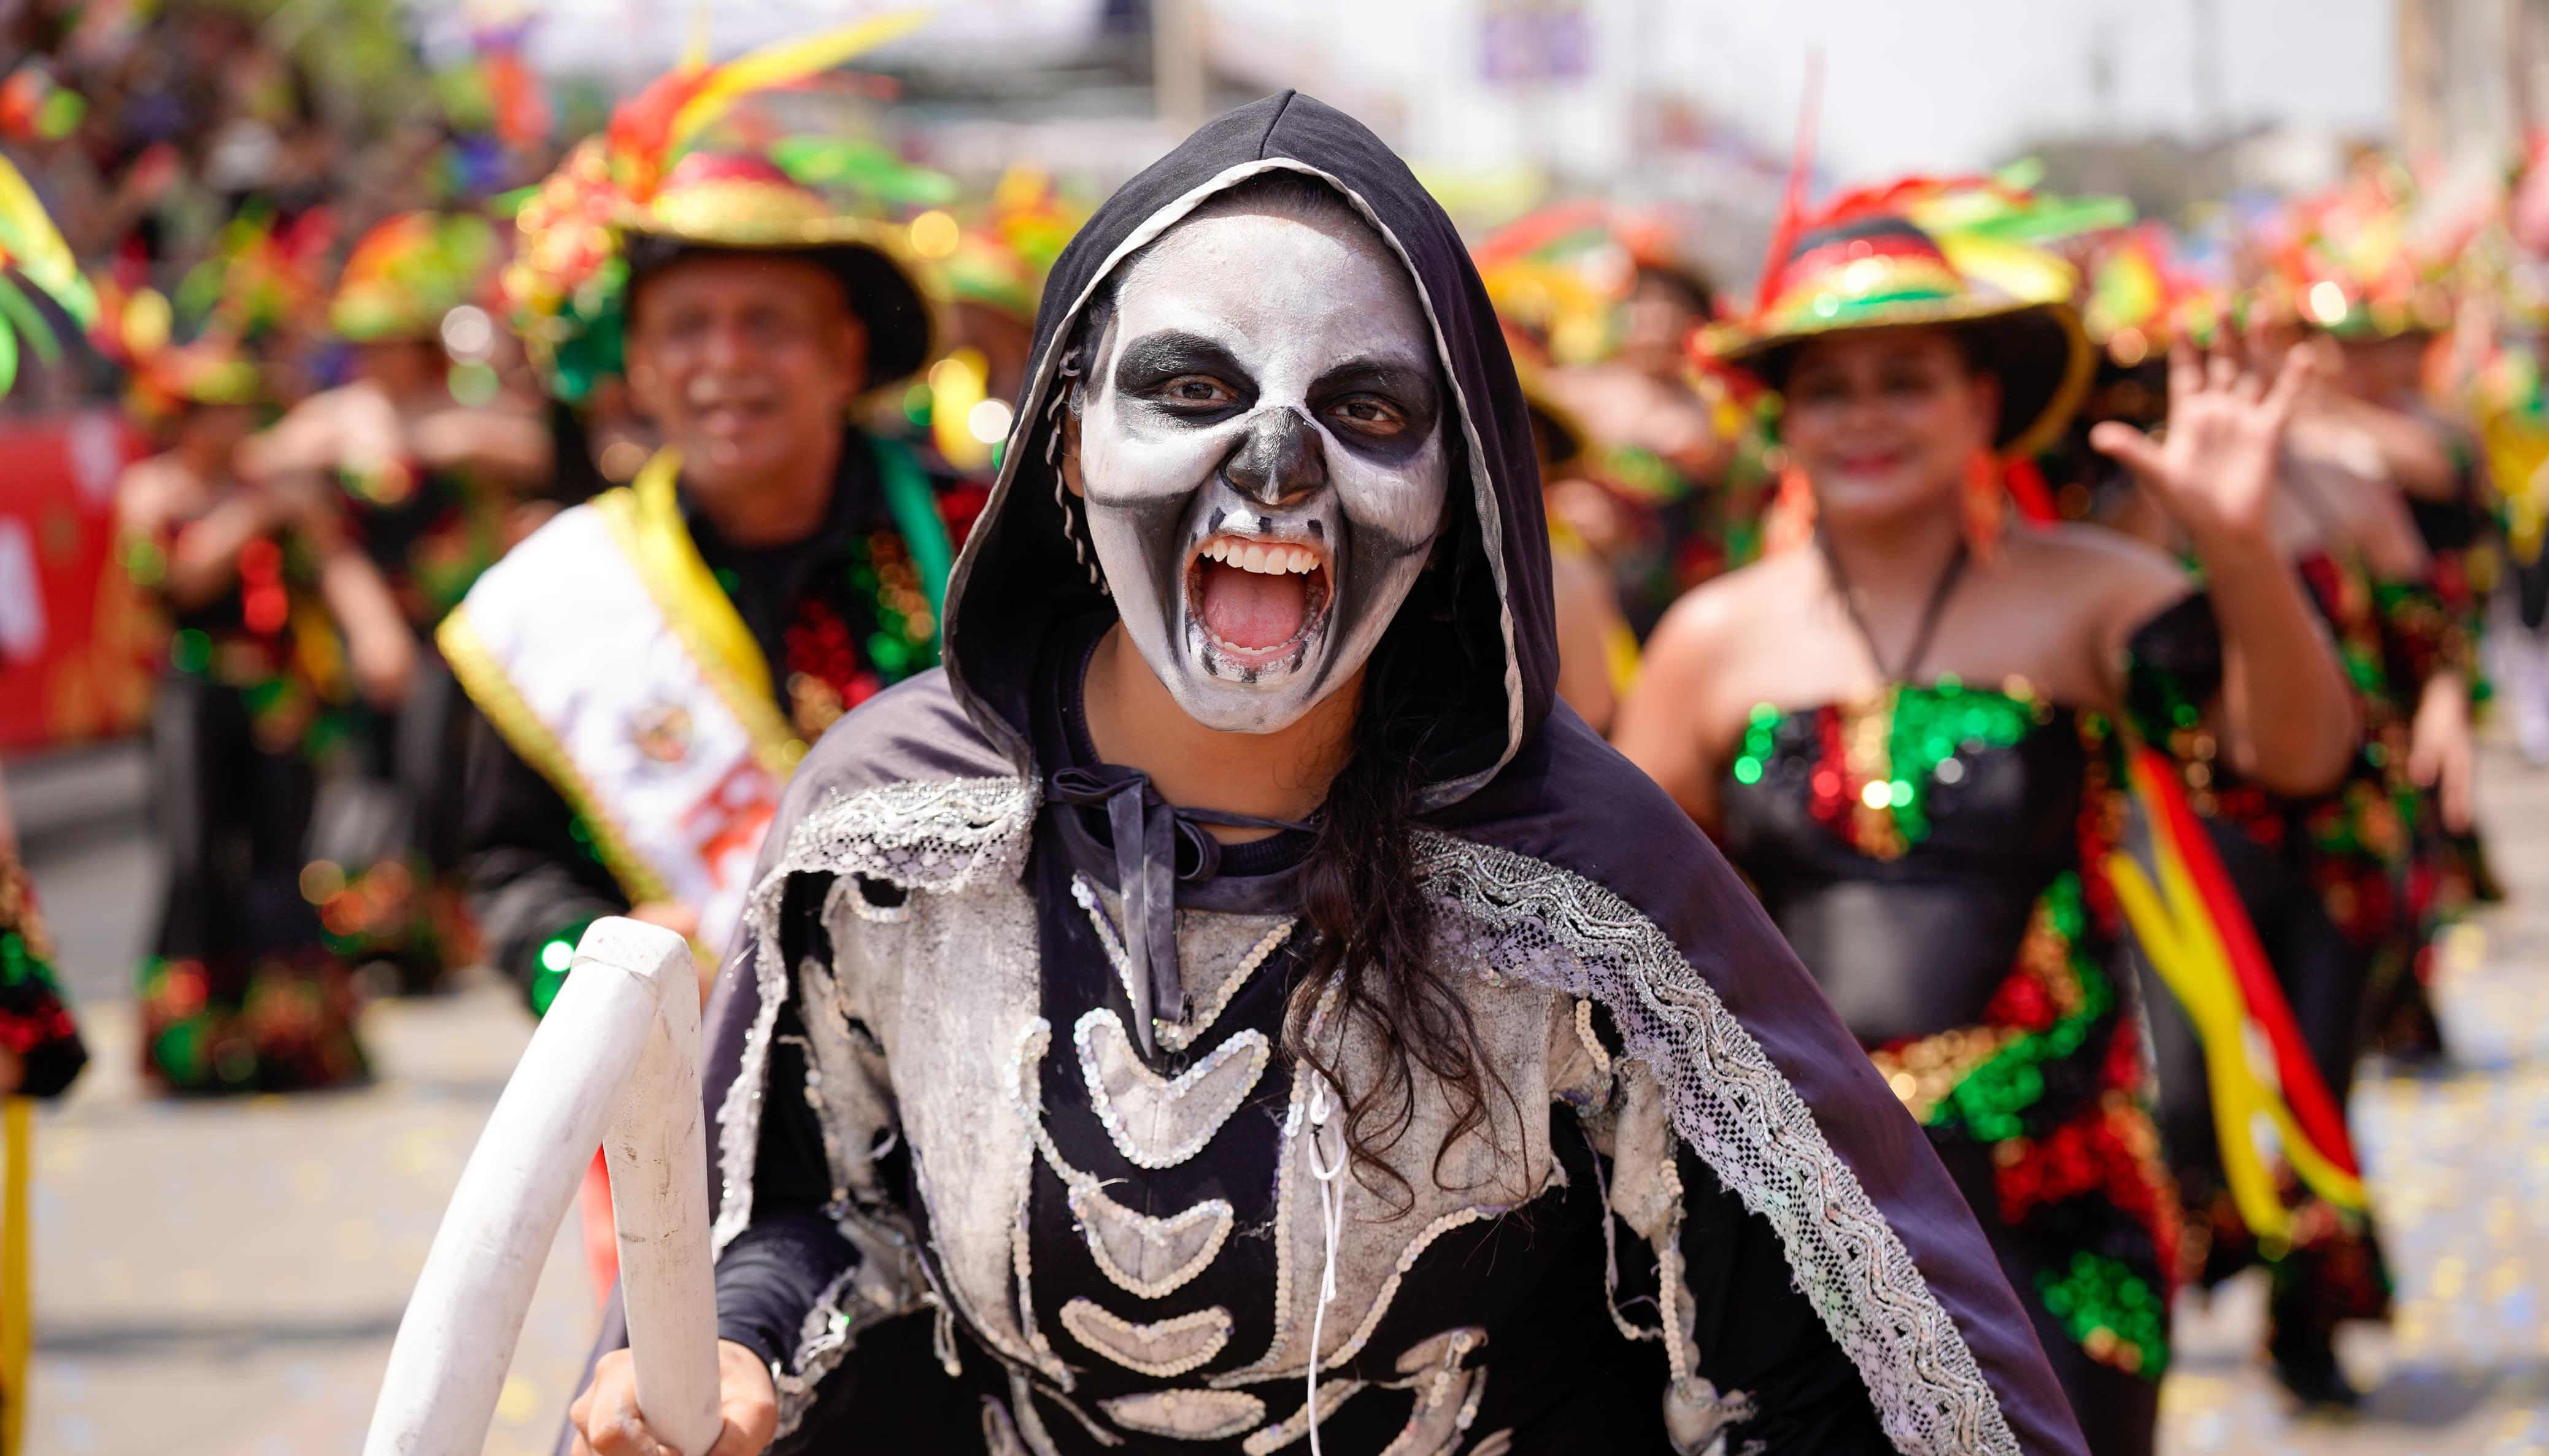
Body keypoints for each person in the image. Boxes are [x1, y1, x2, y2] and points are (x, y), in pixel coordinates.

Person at [566, 93, 2088, 1456]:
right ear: (1067, 435)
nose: (1275, 471)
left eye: (1365, 411)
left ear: (1457, 479)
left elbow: (1807, 1373)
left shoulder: (1574, 877)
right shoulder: (894, 830)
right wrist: (728, 1347)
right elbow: (811, 1207)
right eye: (1189, 391)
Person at [1614, 206, 2358, 1456]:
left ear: (1980, 402)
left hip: (2059, 1193)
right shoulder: (1711, 640)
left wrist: (2237, 547)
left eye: (1904, 381)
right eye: (1826, 388)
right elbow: (1619, 918)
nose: (1864, 417)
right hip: (1797, 1195)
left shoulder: (2091, 596)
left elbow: (2297, 758)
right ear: (1781, 421)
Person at [245, 208, 549, 990]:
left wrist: (434, 444)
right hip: (361, 622)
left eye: (393, 341)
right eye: (368, 343)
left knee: (438, 767)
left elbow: (533, 449)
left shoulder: (459, 416)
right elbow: (266, 466)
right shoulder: (337, 419)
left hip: (451, 624)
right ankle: (370, 923)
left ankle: (436, 924)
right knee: (365, 767)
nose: (381, 357)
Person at [112, 327, 412, 1091]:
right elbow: (177, 583)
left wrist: (377, 636)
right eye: (214, 409)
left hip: (279, 698)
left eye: (241, 408)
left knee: (285, 857)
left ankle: (290, 1036)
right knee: (194, 854)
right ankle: (195, 1039)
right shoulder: (155, 491)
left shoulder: (281, 492)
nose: (231, 424)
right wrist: (252, 514)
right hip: (192, 694)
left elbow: (337, 565)